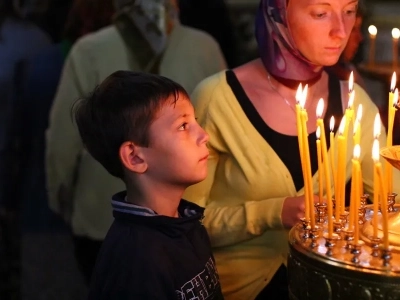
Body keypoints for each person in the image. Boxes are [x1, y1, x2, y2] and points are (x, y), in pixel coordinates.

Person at [182, 0, 400, 299]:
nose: (341, 31)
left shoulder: (356, 104)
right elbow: (183, 223)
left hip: (322, 288)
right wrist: (272, 212)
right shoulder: (217, 99)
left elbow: (393, 204)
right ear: (278, 14)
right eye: (321, 14)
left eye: (349, 11)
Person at [46, 0, 226, 286]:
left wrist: (60, 195)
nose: (204, 135)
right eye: (183, 125)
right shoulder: (203, 46)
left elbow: (61, 143)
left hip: (100, 215)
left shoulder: (90, 49)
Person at [72, 70, 223, 299]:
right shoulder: (136, 260)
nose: (203, 135)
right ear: (135, 157)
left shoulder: (186, 222)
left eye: (196, 121)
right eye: (183, 126)